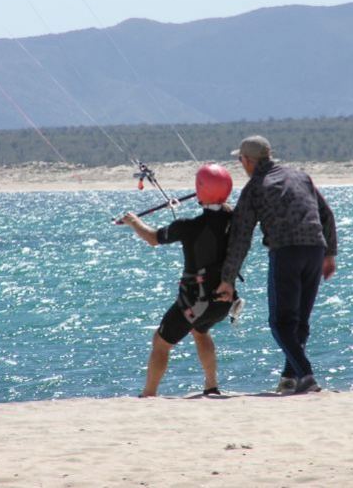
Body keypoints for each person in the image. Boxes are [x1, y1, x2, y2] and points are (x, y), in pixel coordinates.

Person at [215, 135, 337, 394]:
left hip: (286, 253)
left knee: (280, 323)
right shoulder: (300, 177)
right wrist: (330, 255)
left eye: (240, 160)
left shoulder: (255, 187)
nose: (241, 164)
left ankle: (306, 376)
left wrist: (227, 278)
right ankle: (289, 378)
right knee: (300, 322)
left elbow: (240, 237)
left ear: (247, 161)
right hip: (315, 250)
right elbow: (326, 215)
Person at [120, 163, 238, 397]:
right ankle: (211, 386)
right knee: (200, 331)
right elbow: (223, 211)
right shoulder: (235, 221)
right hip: (224, 301)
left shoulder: (188, 227)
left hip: (195, 301)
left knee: (161, 342)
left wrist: (133, 221)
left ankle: (148, 393)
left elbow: (153, 238)